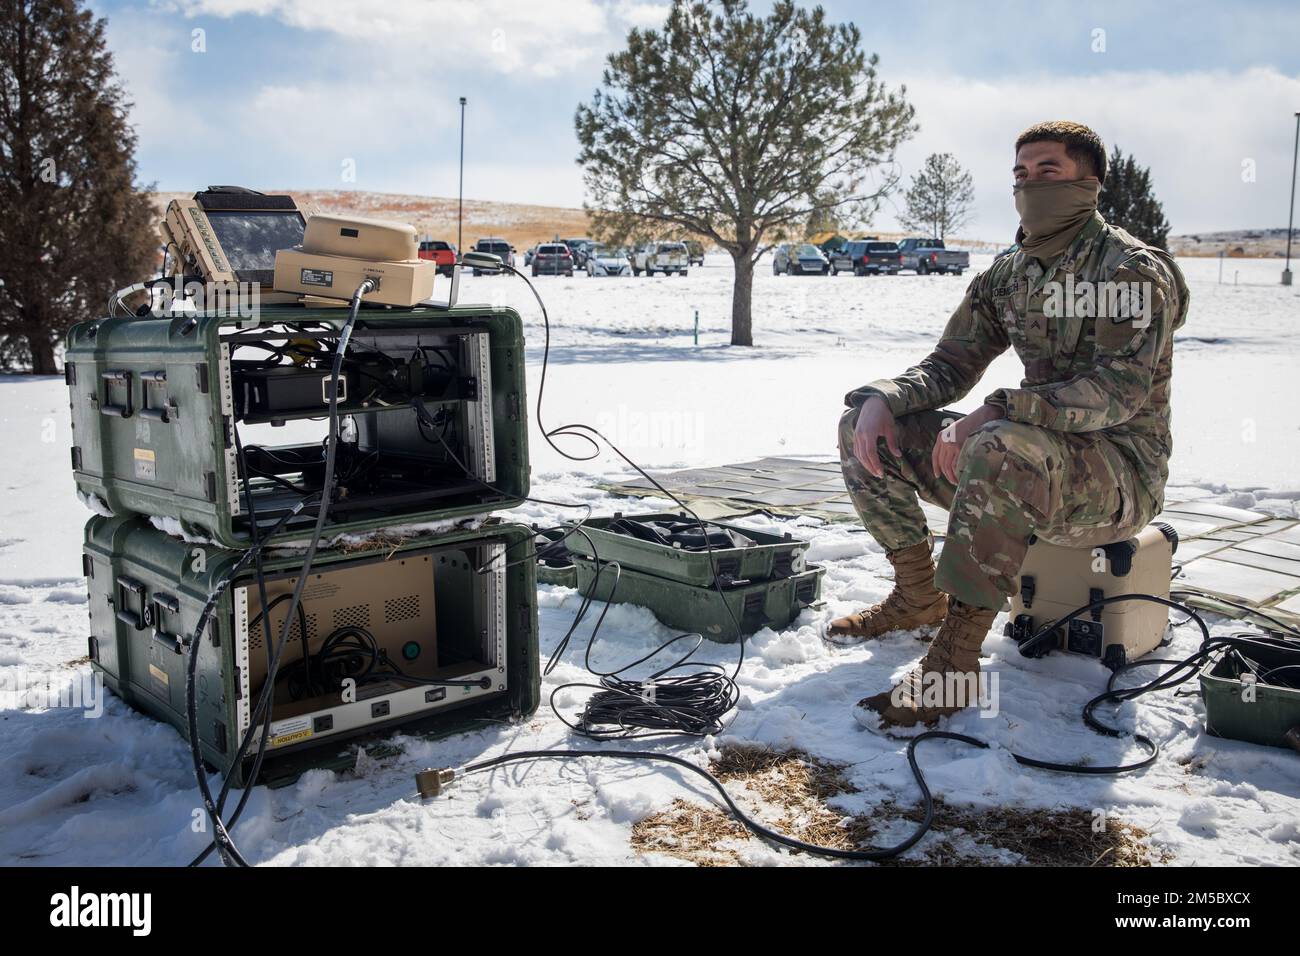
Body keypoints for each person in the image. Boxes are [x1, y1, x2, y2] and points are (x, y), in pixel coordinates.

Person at [830, 120, 1188, 731]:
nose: (1029, 185)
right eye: (1021, 174)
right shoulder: (1010, 274)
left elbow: (1116, 395)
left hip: (1118, 478)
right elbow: (949, 364)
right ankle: (917, 595)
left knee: (1001, 445)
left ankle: (955, 659)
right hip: (1026, 461)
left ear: (1090, 182)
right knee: (870, 428)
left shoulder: (1128, 271)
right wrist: (882, 399)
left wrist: (998, 409)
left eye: (1048, 171)